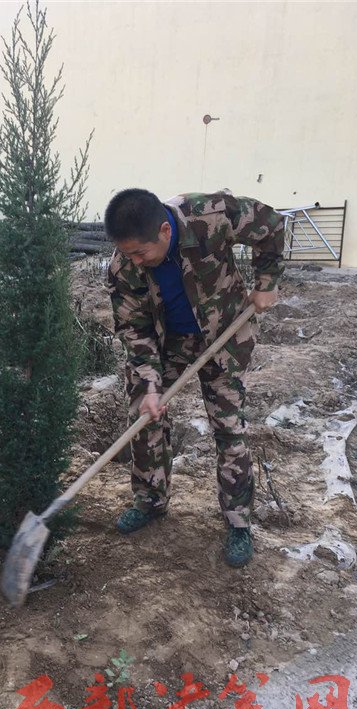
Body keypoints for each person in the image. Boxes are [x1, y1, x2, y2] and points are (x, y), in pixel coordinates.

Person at [104, 189, 285, 567]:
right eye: (127, 253)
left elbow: (270, 224)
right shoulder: (124, 266)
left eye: (141, 252)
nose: (135, 260)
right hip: (167, 343)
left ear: (165, 231)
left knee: (228, 427)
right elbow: (134, 328)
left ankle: (238, 521)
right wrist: (150, 383)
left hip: (225, 336)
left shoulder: (210, 215)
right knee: (144, 417)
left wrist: (267, 280)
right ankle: (150, 501)